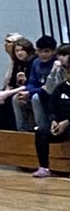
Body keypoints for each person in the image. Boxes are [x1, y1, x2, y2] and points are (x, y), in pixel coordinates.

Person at [33, 45, 70, 177]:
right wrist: (54, 120)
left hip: (68, 124)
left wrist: (66, 122)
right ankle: (44, 167)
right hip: (60, 125)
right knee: (41, 131)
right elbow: (52, 107)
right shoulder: (61, 88)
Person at [13, 35, 57, 132]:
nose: (42, 55)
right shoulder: (36, 62)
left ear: (54, 51)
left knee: (36, 98)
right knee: (16, 98)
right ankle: (22, 130)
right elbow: (31, 83)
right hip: (36, 92)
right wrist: (27, 92)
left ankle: (41, 129)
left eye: (46, 51)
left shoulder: (56, 64)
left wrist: (30, 93)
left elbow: (52, 87)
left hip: (50, 96)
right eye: (40, 51)